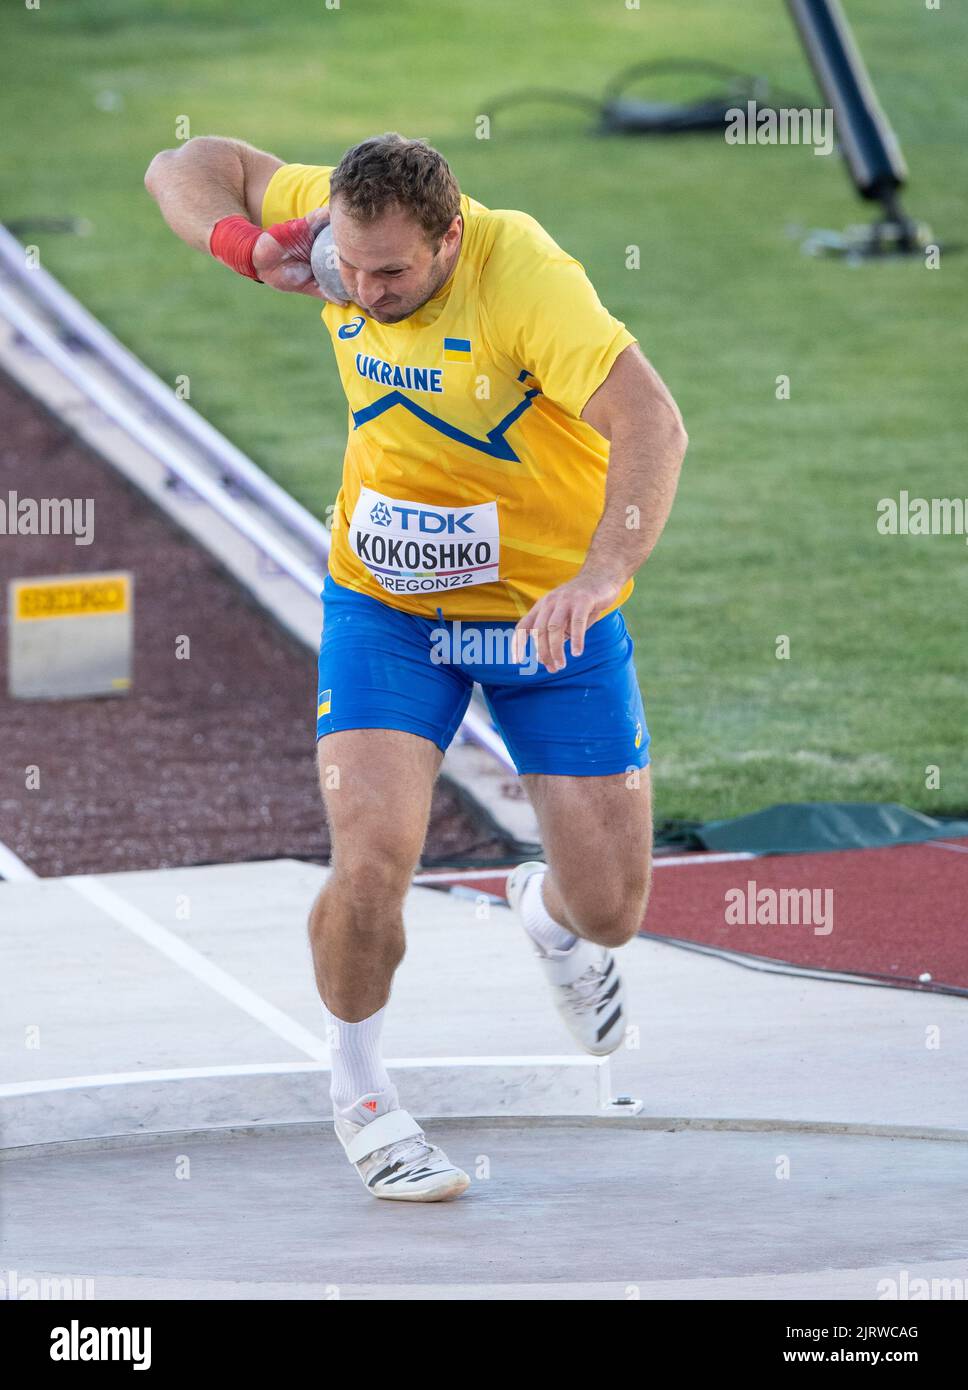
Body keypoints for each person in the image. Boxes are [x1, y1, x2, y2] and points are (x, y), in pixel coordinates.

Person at [145, 132, 687, 1202]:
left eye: (393, 271)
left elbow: (651, 424)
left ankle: (542, 916)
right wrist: (244, 243)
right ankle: (359, 1089)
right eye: (353, 266)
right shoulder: (334, 235)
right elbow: (183, 162)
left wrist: (597, 574)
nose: (368, 289)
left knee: (611, 909)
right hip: (386, 606)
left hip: (542, 616)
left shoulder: (523, 275)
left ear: (449, 236)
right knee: (372, 853)